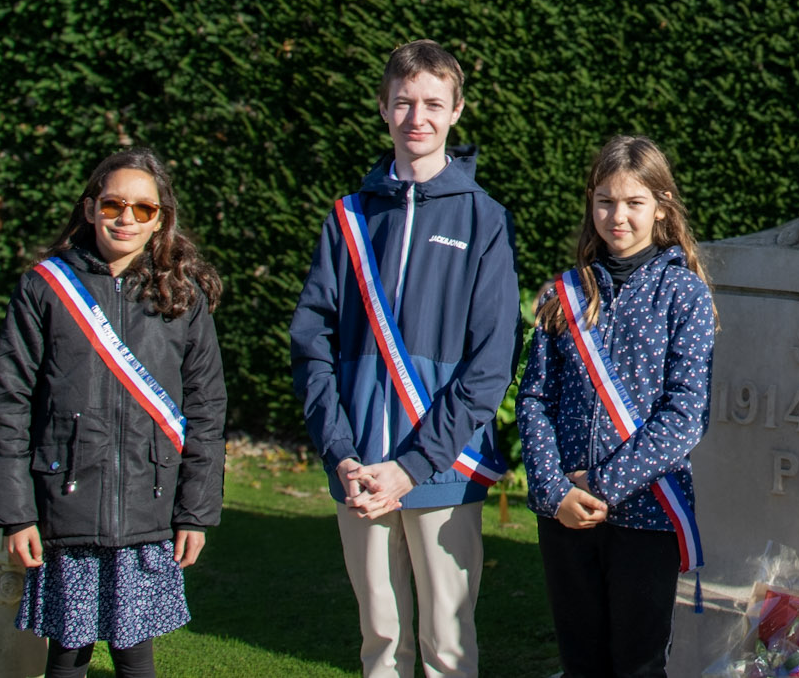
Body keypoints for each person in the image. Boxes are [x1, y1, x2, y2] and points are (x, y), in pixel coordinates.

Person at [290, 40, 519, 678]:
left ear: (456, 111)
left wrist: (412, 466)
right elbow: (312, 342)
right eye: (404, 102)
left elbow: (489, 365)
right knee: (380, 641)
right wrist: (341, 452)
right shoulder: (348, 218)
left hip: (444, 467)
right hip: (359, 467)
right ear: (384, 110)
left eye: (433, 104)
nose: (417, 116)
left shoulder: (485, 220)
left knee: (447, 646)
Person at [0, 149, 227, 678]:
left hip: (150, 504)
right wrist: (16, 511)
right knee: (68, 653)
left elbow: (207, 410)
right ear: (91, 208)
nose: (126, 218)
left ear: (160, 218)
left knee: (134, 654)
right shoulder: (44, 287)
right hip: (65, 499)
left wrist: (195, 512)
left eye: (143, 209)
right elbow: (10, 402)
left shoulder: (181, 295)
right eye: (114, 204)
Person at [517, 135, 717, 678]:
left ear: (661, 206)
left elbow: (685, 415)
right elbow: (534, 395)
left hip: (647, 513)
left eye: (633, 203)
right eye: (605, 201)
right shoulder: (563, 293)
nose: (618, 216)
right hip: (565, 515)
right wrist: (554, 490)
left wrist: (600, 484)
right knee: (580, 663)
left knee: (638, 665)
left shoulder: (685, 295)